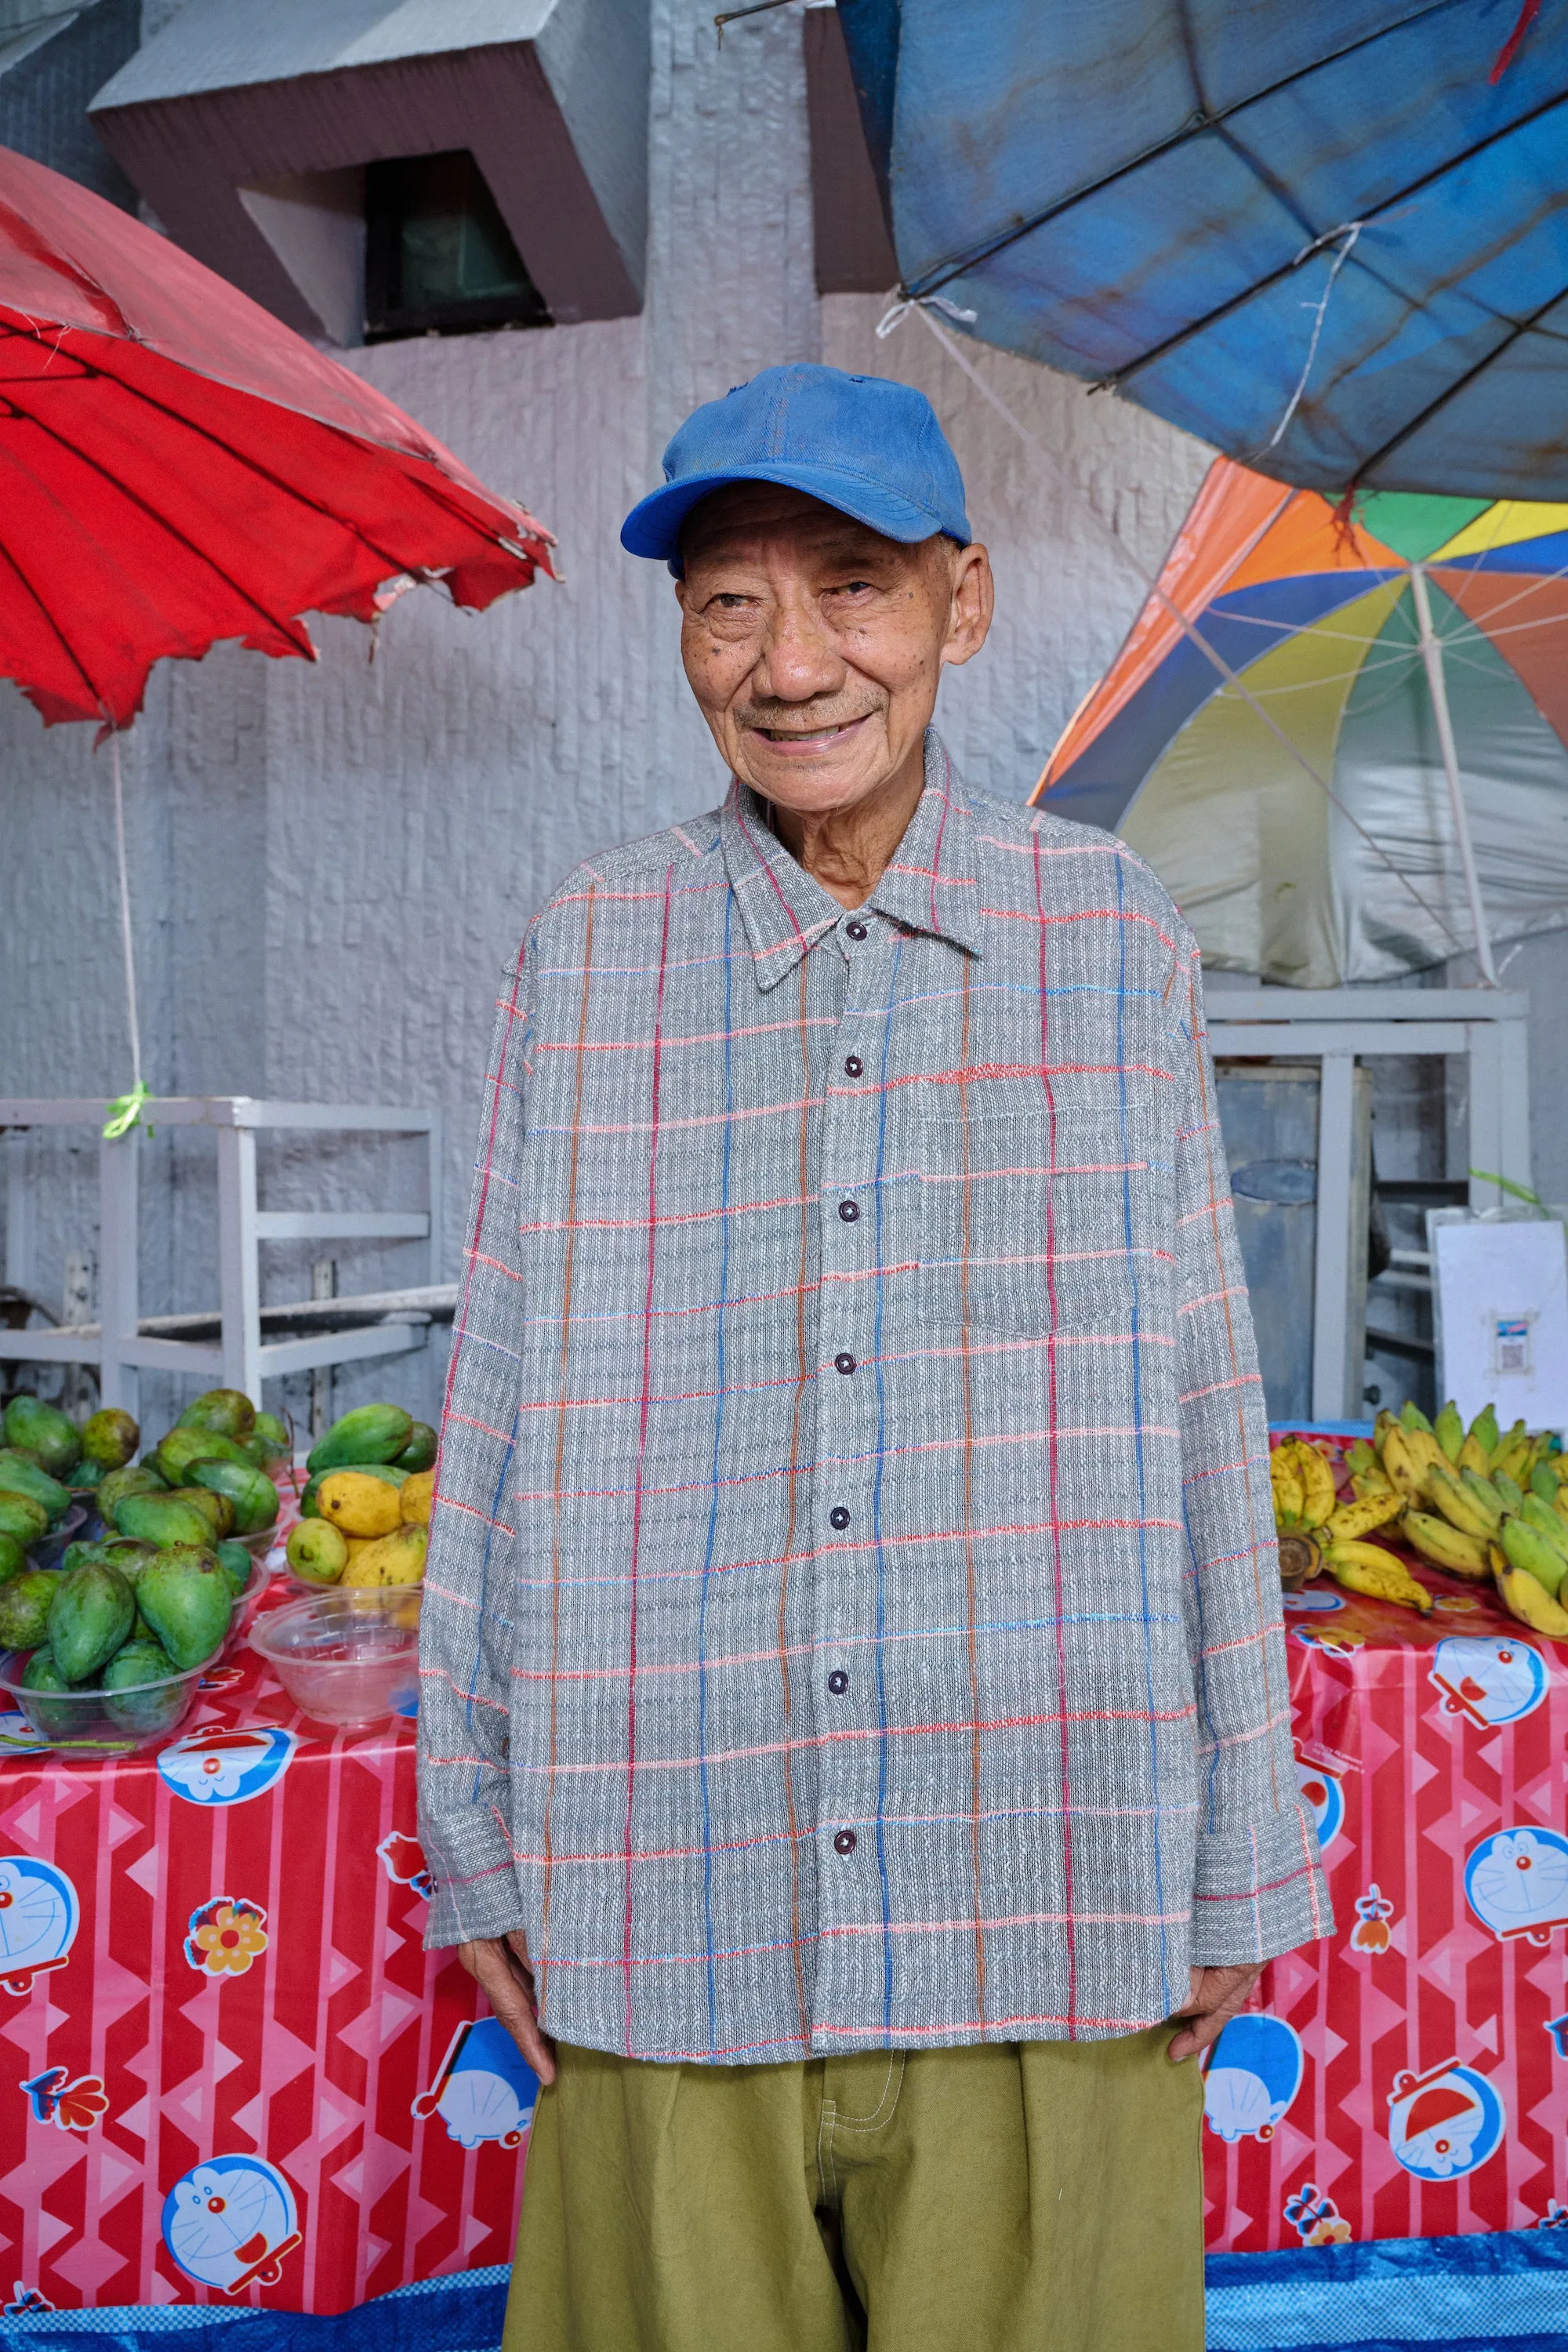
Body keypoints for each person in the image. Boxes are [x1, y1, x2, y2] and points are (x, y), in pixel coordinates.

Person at [417, 363, 1329, 2351]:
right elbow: (493, 1400)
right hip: (668, 1880)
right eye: (728, 601)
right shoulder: (589, 951)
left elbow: (1196, 1396)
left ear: (960, 604)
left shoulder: (1109, 936)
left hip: (1045, 1875)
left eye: (851, 587)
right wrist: (466, 1823)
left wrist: (1241, 1847)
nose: (792, 659)